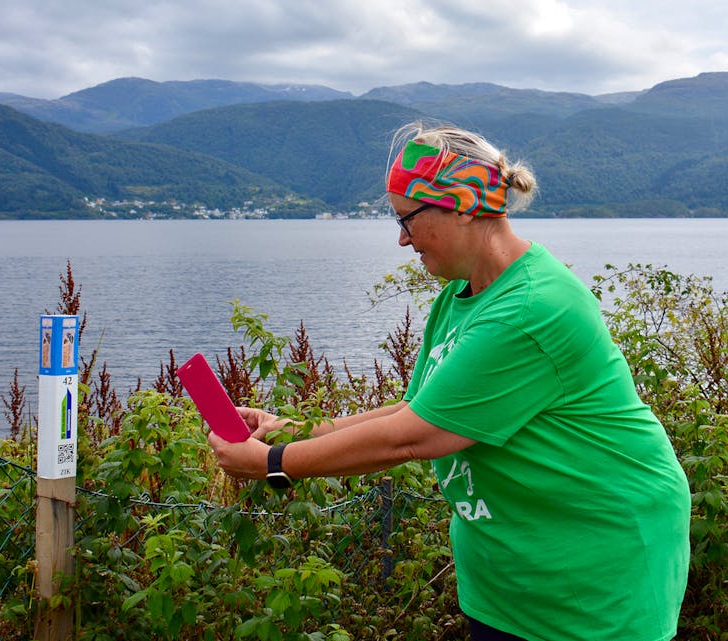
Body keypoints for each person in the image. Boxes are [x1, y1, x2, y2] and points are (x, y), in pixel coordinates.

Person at [207, 122, 691, 641]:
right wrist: (294, 429)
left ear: (460, 206)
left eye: (407, 220)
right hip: (513, 576)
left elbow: (412, 437)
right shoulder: (461, 295)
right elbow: (417, 409)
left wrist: (274, 465)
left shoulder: (530, 308)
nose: (401, 239)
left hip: (596, 574)